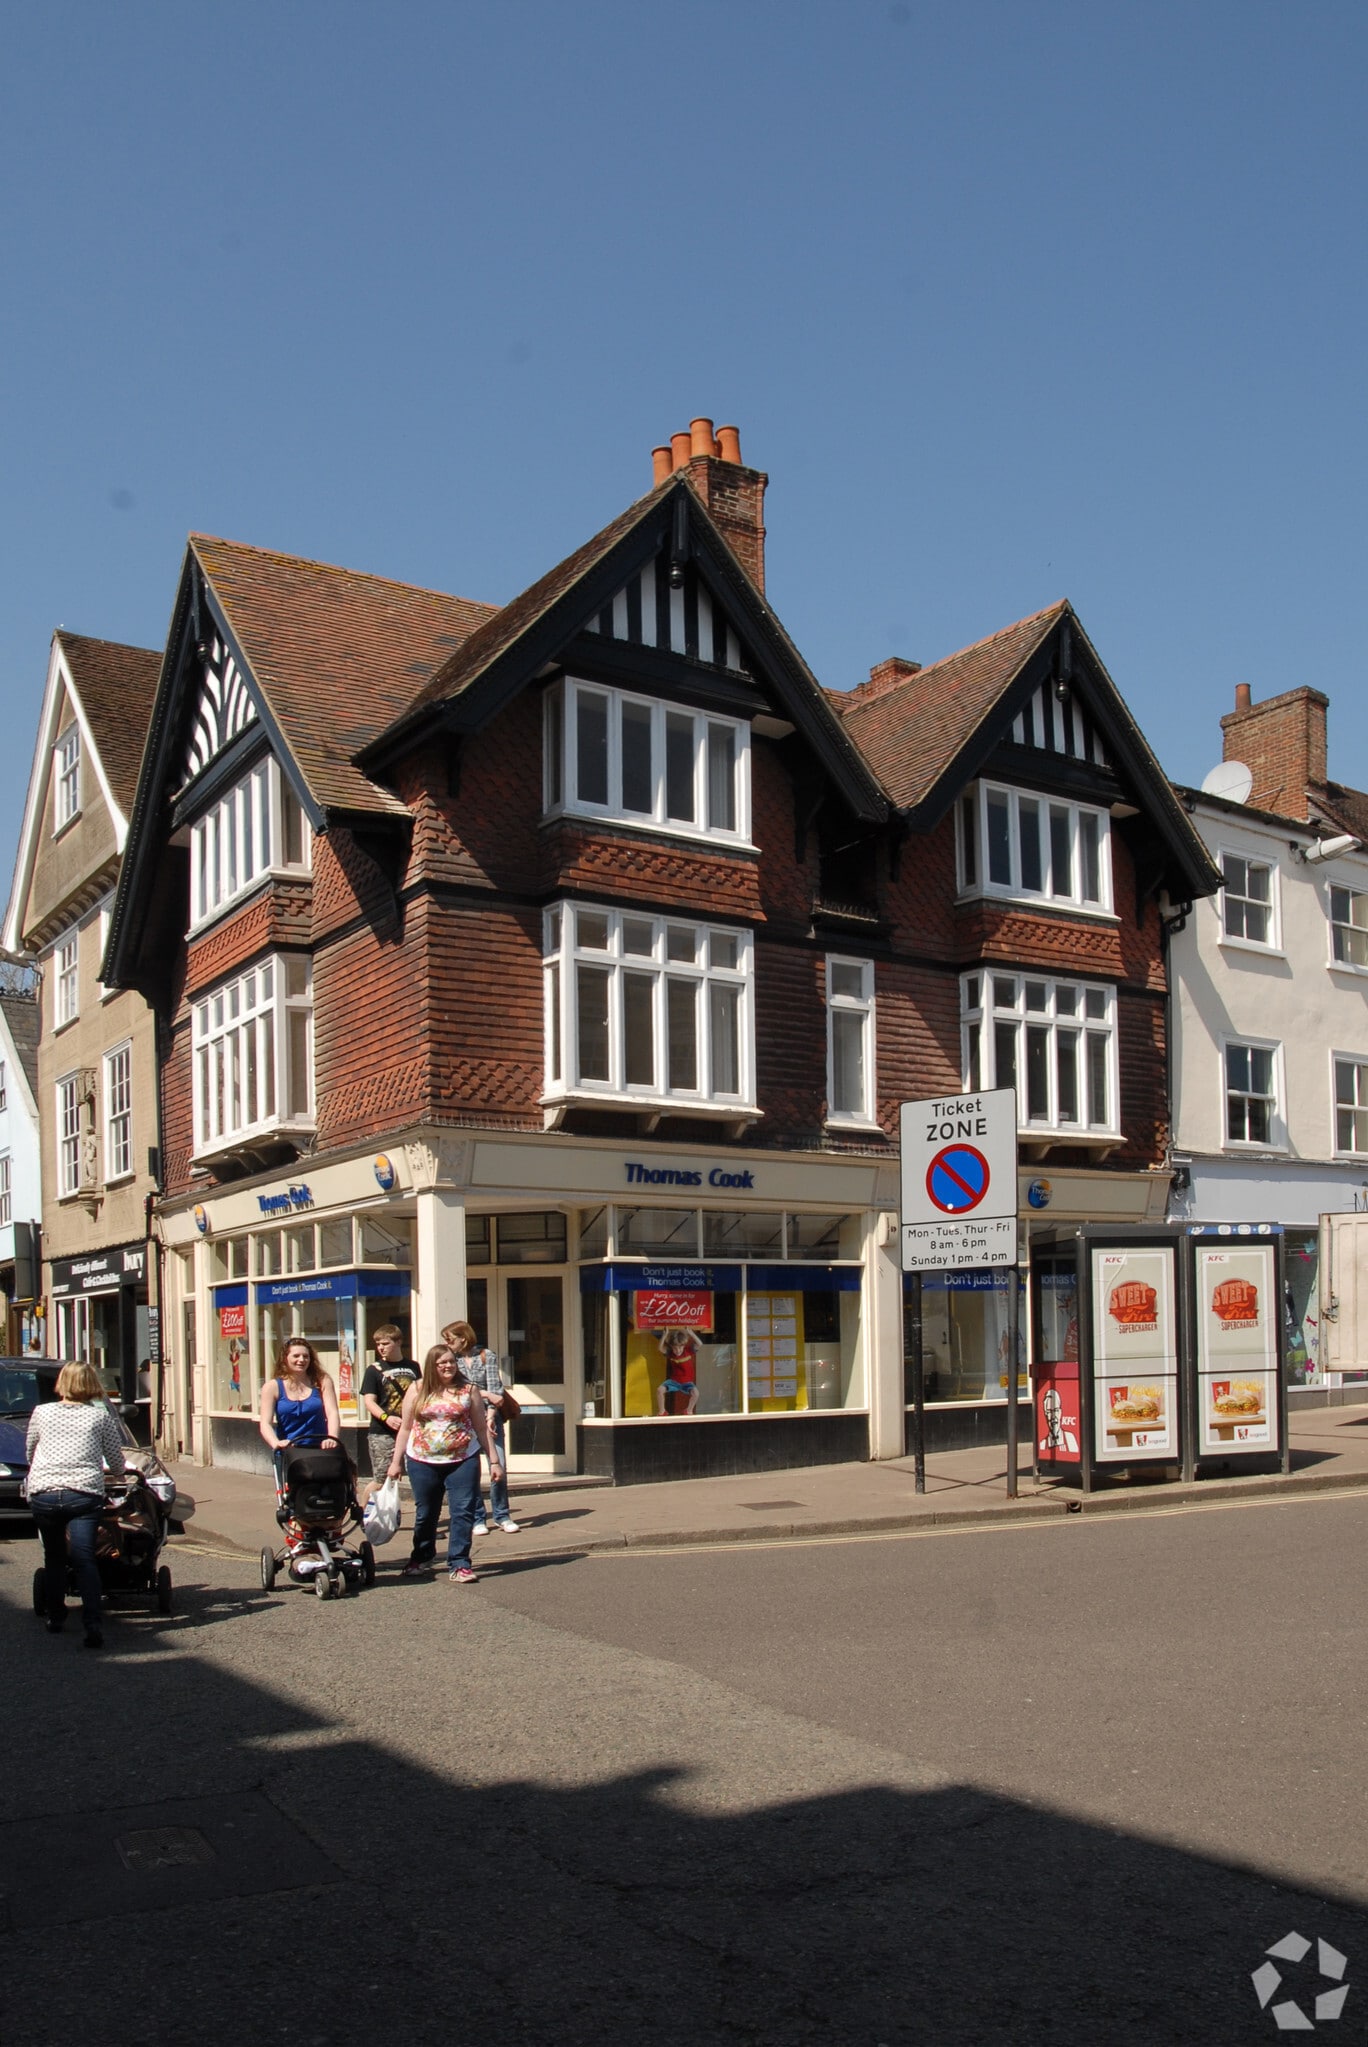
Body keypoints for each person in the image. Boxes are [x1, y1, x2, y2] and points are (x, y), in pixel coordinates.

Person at [26, 1359, 127, 1648]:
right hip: (83, 1494)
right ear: (91, 1385)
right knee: (85, 1558)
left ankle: (56, 1617)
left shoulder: (41, 1412)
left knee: (55, 1558)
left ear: (62, 1383)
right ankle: (93, 1623)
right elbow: (116, 1460)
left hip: (44, 1493)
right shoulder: (99, 1417)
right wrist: (118, 1474)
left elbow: (31, 1450)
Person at [387, 1342, 502, 1583]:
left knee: (463, 1511)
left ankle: (459, 1563)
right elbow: (406, 1428)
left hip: (462, 1459)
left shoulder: (468, 1389)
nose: (448, 1366)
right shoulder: (417, 1389)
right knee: (426, 1513)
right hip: (422, 1460)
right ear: (432, 1366)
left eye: (451, 1361)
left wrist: (494, 1461)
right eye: (442, 1363)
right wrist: (395, 1462)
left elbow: (481, 1428)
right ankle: (421, 1556)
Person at [442, 1319, 519, 1535]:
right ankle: (478, 1518)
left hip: (490, 1419)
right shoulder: (451, 1361)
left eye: (450, 1340)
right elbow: (457, 1390)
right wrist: (483, 1393)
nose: (447, 1344)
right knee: (471, 1471)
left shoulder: (486, 1356)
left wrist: (490, 1417)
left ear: (463, 1339)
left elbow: (497, 1392)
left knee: (499, 1467)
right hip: (464, 1421)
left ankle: (502, 1515)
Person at [257, 1339, 342, 1479]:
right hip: (290, 1451)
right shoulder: (272, 1387)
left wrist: (332, 1437)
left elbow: (332, 1412)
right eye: (296, 1356)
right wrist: (276, 1443)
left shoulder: (322, 1381)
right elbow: (265, 1423)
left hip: (320, 1449)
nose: (301, 1360)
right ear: (285, 1358)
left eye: (306, 1356)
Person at [359, 1325, 419, 1488]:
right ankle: (365, 1512)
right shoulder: (373, 1370)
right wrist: (386, 1417)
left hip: (411, 1429)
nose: (381, 1348)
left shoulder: (413, 1367)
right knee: (382, 1480)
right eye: (378, 1344)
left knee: (416, 1476)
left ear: (398, 1342)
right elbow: (369, 1401)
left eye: (385, 1343)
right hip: (383, 1432)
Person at [656, 1326, 700, 1415]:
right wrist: (664, 1336)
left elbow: (700, 1344)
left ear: (684, 1346)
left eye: (680, 1348)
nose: (677, 1350)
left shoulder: (689, 1351)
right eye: (675, 1348)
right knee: (659, 1390)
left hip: (687, 1382)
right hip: (674, 1381)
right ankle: (662, 1411)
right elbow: (660, 1348)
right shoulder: (670, 1353)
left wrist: (691, 1334)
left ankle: (688, 1410)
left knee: (696, 1393)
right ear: (671, 1347)